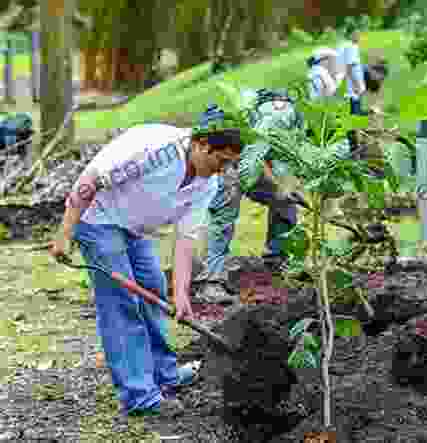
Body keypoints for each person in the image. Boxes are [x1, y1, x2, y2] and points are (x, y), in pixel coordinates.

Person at [49, 107, 243, 416]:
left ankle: (164, 375)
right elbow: (89, 181)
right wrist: (64, 233)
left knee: (153, 287)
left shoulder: (207, 183)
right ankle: (140, 395)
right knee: (121, 302)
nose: (223, 170)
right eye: (222, 161)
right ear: (202, 145)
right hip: (97, 219)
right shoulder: (156, 152)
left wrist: (181, 293)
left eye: (230, 164)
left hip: (133, 227)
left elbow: (185, 238)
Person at [204, 89, 301, 276]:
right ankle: (212, 277)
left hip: (250, 159)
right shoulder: (276, 116)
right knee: (224, 212)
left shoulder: (293, 121)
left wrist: (288, 188)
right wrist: (280, 186)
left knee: (285, 200)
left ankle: (277, 257)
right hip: (225, 157)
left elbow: (282, 164)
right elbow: (254, 153)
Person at [338, 25, 366, 116]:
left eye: (359, 34)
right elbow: (349, 66)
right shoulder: (351, 46)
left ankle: (356, 112)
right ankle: (356, 114)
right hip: (353, 75)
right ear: (350, 35)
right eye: (356, 34)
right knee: (356, 93)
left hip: (350, 75)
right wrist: (355, 82)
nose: (359, 36)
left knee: (354, 95)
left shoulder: (345, 44)